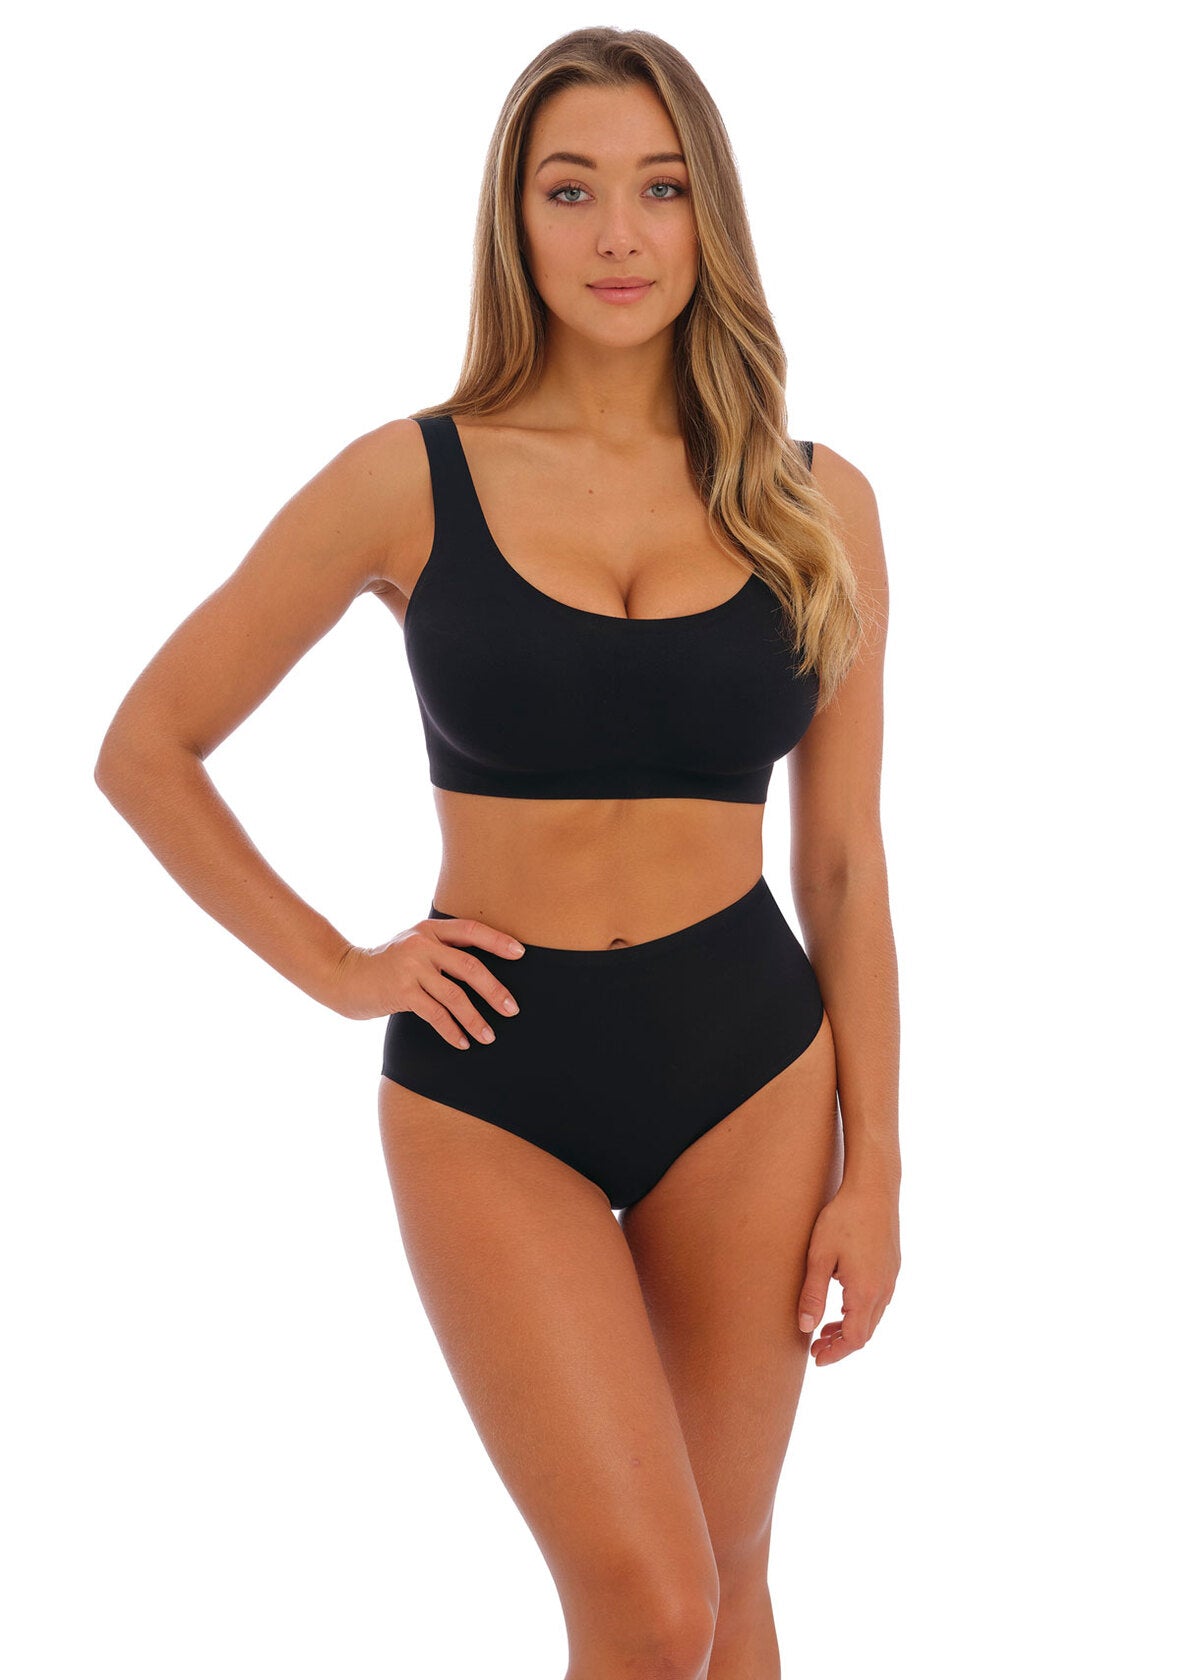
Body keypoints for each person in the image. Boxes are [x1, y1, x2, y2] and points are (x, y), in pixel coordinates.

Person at [95, 25, 901, 1680]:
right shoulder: (408, 477)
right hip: (490, 1078)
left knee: (731, 1582)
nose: (619, 235)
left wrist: (876, 1164)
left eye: (659, 189)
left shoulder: (818, 503)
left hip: (751, 1073)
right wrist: (342, 968)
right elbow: (148, 747)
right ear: (513, 220)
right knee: (648, 1603)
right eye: (571, 190)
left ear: (710, 215)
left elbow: (840, 867)